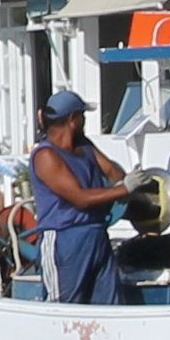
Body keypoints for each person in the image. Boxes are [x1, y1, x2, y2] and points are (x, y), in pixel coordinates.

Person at [30, 91, 135, 307]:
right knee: (64, 308)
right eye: (82, 116)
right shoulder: (46, 156)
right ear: (73, 120)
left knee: (109, 308)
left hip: (96, 235)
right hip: (64, 240)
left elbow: (112, 172)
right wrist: (124, 189)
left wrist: (127, 183)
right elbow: (79, 198)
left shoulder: (85, 146)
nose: (84, 120)